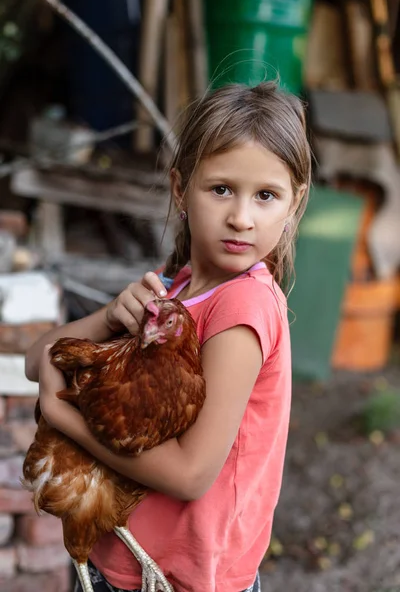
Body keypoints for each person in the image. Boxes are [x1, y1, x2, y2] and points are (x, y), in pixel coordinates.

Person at [25, 80, 311, 592]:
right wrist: (111, 315)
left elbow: (191, 474)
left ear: (295, 203)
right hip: (119, 557)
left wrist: (62, 414)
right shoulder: (174, 284)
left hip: (183, 580)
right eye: (221, 188)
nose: (241, 218)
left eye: (266, 195)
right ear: (181, 188)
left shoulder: (241, 307)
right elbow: (38, 359)